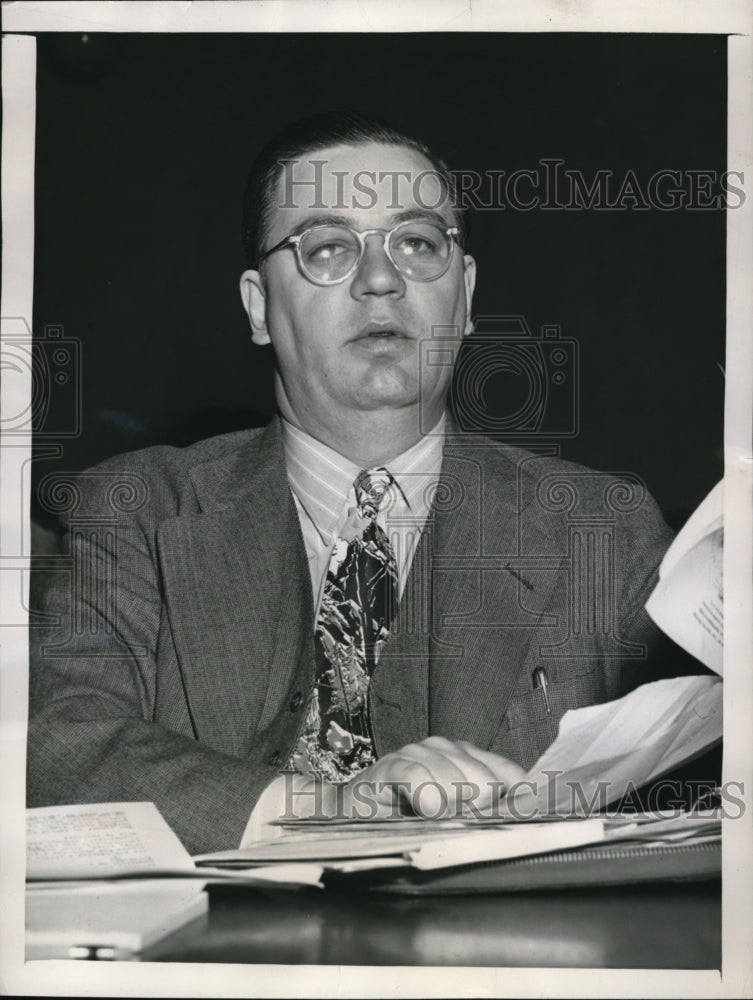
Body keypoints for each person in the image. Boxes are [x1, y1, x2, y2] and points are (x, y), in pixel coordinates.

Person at [27, 111, 682, 855]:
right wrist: (323, 809)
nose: (379, 280)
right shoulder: (139, 512)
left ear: (462, 296)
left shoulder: (604, 526)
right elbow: (52, 744)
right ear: (257, 307)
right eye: (328, 247)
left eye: (416, 243)